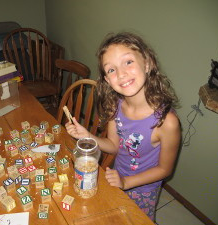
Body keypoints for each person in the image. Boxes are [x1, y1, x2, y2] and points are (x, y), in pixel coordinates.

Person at [65, 32, 181, 221]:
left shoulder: (167, 122)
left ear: (147, 63)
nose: (121, 73)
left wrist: (126, 182)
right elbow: (113, 144)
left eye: (128, 62)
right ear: (107, 80)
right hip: (116, 176)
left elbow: (164, 169)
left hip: (142, 188)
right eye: (111, 70)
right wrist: (88, 136)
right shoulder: (114, 105)